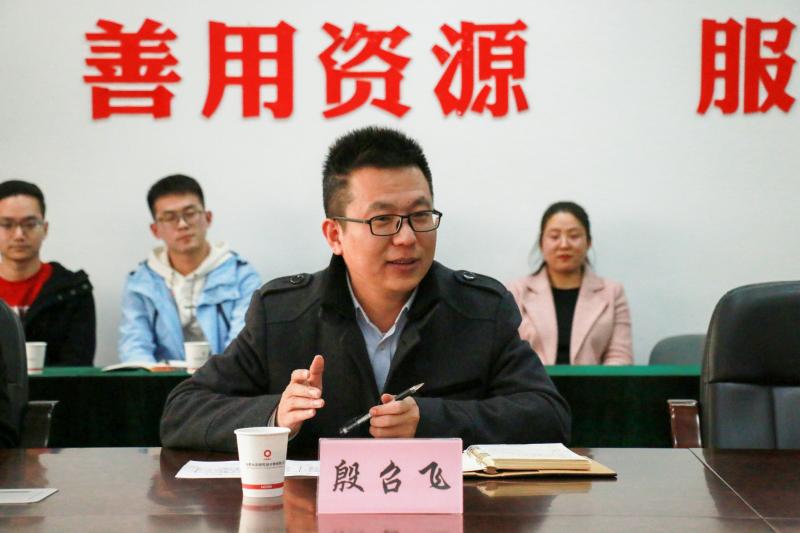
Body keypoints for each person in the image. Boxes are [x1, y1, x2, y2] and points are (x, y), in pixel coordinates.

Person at [160, 127, 571, 456]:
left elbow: (548, 415)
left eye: (420, 215)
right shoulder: (282, 314)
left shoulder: (480, 309)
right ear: (334, 235)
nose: (407, 238)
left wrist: (430, 421)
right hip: (316, 519)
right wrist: (275, 417)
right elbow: (182, 411)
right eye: (383, 220)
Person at [118, 174, 262, 363]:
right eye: (169, 217)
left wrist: (215, 377)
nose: (182, 224)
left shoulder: (242, 276)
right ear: (155, 230)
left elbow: (243, 348)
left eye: (190, 213)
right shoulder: (140, 283)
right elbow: (134, 347)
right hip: (161, 380)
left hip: (225, 379)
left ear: (208, 218)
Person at [506, 201, 633, 365]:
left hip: (594, 383)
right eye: (554, 236)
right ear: (541, 243)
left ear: (588, 242)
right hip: (528, 382)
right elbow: (506, 355)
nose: (564, 244)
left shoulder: (613, 293)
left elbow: (620, 357)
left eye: (574, 236)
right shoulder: (516, 291)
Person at [0, 180, 95, 366]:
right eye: (7, 224)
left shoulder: (73, 291)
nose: (19, 235)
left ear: (45, 229)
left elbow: (77, 365)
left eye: (30, 224)